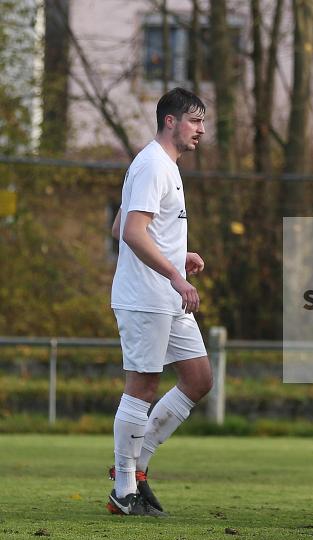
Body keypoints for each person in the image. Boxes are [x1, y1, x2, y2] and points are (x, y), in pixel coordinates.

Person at [107, 88, 211, 516]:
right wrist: (174, 273)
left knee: (198, 379)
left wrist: (176, 255)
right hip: (147, 296)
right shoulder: (153, 164)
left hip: (165, 295)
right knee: (143, 387)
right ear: (171, 121)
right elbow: (131, 233)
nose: (201, 130)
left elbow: (121, 226)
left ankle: (137, 468)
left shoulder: (163, 164)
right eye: (195, 121)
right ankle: (124, 489)